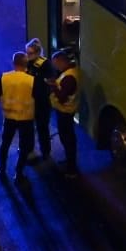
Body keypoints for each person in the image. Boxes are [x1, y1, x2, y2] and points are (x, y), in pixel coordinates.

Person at [0, 51, 36, 178]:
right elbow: (38, 97)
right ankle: (18, 172)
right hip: (26, 117)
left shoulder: (4, 77)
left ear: (13, 63)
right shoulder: (32, 80)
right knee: (24, 146)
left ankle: (2, 168)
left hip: (9, 116)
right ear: (26, 64)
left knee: (5, 143)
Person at [49, 48, 81, 176]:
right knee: (67, 138)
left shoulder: (69, 77)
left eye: (55, 64)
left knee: (67, 139)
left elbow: (62, 98)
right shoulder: (72, 72)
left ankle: (71, 168)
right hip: (66, 111)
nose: (55, 67)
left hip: (65, 112)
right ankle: (69, 162)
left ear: (61, 62)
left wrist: (53, 85)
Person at [24, 39, 55, 161]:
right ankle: (29, 149)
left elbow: (51, 80)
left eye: (30, 53)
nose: (28, 55)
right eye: (27, 53)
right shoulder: (27, 63)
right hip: (30, 100)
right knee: (28, 127)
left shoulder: (45, 64)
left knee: (42, 127)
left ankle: (45, 151)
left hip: (42, 101)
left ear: (37, 53)